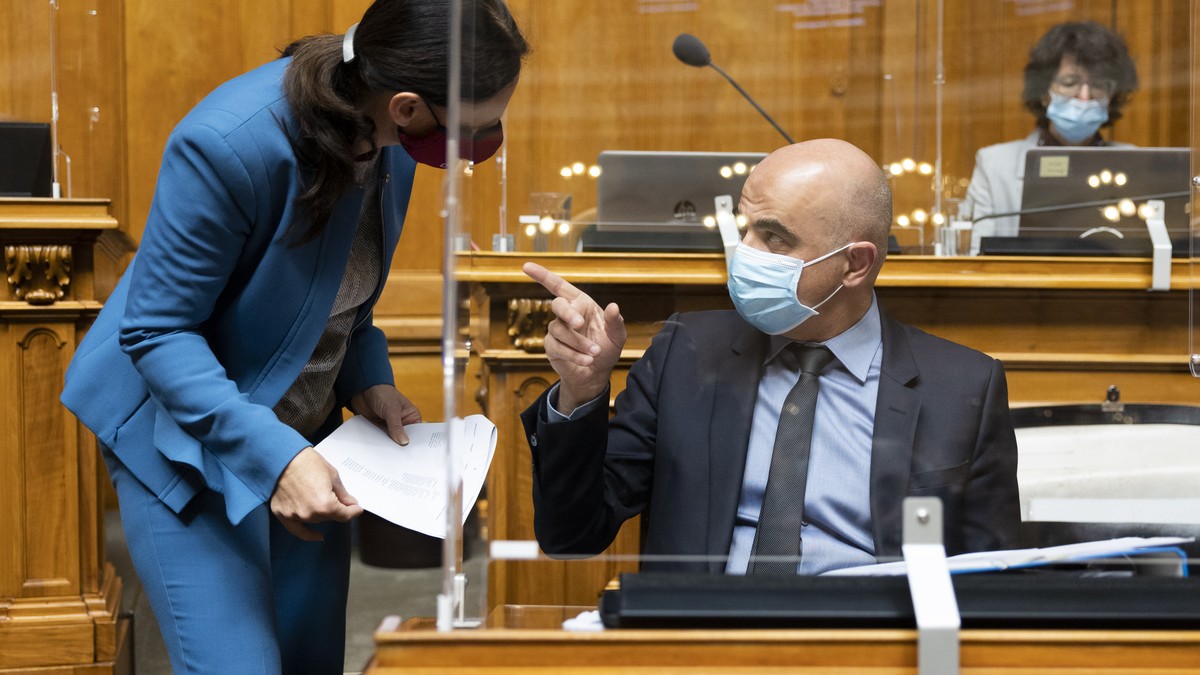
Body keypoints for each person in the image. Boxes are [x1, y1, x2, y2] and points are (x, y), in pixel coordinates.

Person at [59, 1, 527, 672]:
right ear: (406, 107)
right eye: (476, 129)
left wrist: (369, 380)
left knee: (310, 660)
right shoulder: (228, 143)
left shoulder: (391, 145)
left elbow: (339, 295)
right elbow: (158, 331)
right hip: (180, 431)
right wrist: (276, 458)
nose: (483, 145)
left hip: (306, 431)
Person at [520, 139, 1019, 576]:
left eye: (774, 237)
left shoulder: (963, 387)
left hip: (869, 638)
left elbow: (992, 580)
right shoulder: (686, 353)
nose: (745, 252)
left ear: (856, 263)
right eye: (746, 229)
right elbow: (572, 535)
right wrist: (582, 391)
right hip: (704, 636)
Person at [967, 21, 1139, 236]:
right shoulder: (995, 166)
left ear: (1112, 95)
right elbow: (975, 253)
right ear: (1043, 91)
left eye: (1098, 85)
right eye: (1069, 83)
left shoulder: (1134, 164)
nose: (1084, 97)